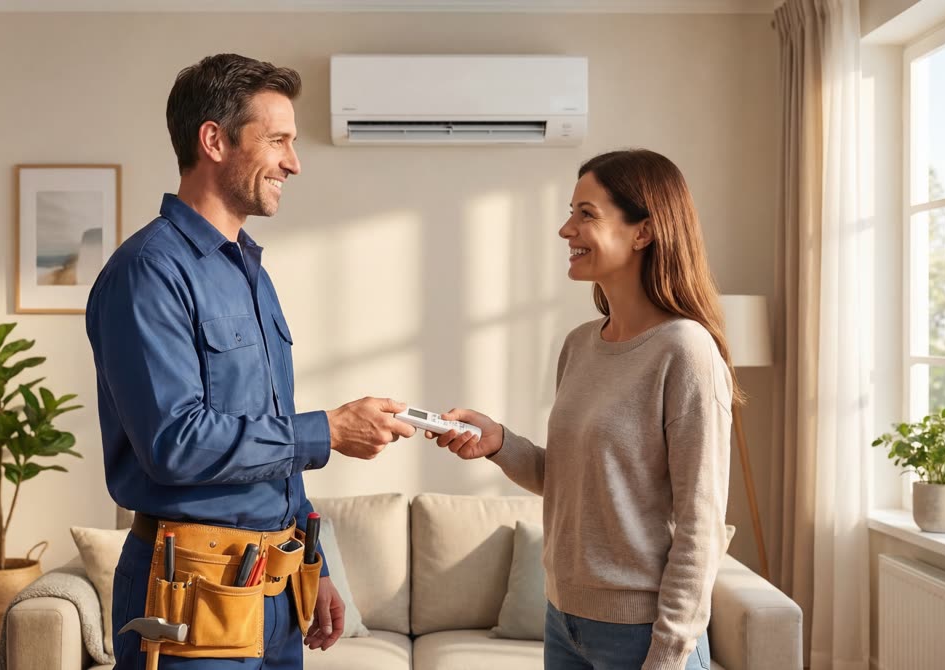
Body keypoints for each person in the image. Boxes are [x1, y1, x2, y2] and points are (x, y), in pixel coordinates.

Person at [85, 53, 416, 669]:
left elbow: (266, 437)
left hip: (274, 585)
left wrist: (309, 561)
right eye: (279, 141)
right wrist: (332, 429)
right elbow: (175, 443)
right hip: (190, 590)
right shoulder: (148, 273)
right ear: (214, 139)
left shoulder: (249, 273)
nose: (294, 161)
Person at [428, 150, 738, 670]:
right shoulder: (579, 345)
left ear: (643, 231)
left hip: (641, 634)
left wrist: (667, 656)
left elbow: (699, 524)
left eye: (586, 214)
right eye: (572, 212)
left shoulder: (685, 350)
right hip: (563, 619)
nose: (565, 229)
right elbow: (575, 480)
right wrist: (500, 442)